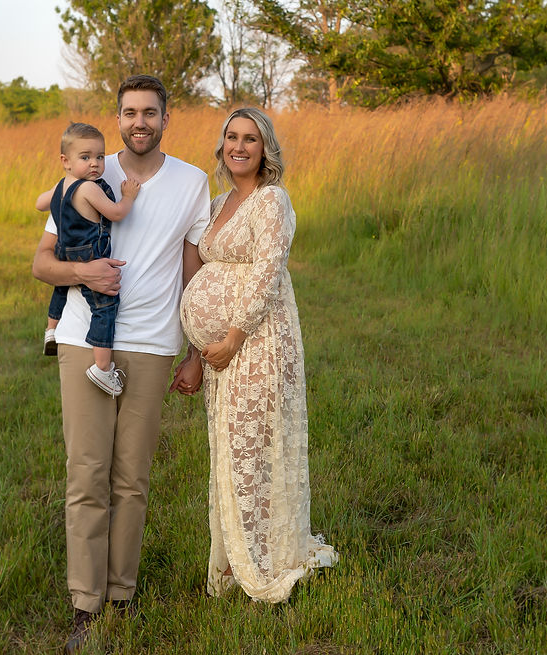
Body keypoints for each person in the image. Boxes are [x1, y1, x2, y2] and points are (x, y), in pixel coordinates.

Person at [32, 75, 209, 653]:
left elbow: (193, 272)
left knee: (131, 479)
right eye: (130, 111)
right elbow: (43, 263)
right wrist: (82, 273)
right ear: (118, 118)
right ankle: (85, 603)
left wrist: (195, 349)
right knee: (86, 474)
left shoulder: (192, 182)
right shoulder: (87, 171)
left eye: (150, 112)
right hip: (86, 337)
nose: (140, 121)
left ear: (165, 118)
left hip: (153, 344)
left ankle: (123, 593)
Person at [179, 107, 337, 602]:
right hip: (218, 350)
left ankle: (264, 565)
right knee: (228, 451)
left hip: (258, 341)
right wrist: (196, 351)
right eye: (232, 137)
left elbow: (269, 271)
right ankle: (232, 564)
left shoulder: (272, 200)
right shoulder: (221, 200)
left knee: (254, 449)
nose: (239, 146)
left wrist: (232, 334)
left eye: (251, 138)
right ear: (222, 144)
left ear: (265, 148)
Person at [38, 122, 141, 397]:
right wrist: (129, 197)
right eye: (85, 158)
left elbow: (39, 202)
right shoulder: (89, 188)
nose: (95, 164)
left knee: (62, 285)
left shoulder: (63, 185)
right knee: (105, 306)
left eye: (99, 157)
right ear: (66, 161)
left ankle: (51, 328)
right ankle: (102, 367)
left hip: (65, 249)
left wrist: (55, 195)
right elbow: (117, 213)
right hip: (89, 253)